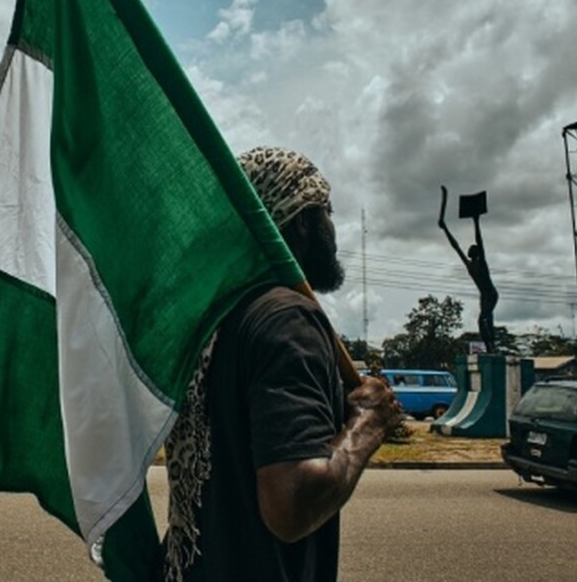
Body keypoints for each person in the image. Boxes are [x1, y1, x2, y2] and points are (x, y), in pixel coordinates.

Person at [162, 146, 402, 582]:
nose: (333, 228)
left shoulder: (213, 318)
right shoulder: (287, 319)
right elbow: (291, 506)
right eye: (328, 211)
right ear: (304, 219)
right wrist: (368, 423)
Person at [438, 186, 499, 353]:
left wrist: (476, 221)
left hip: (491, 294)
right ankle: (491, 347)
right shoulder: (469, 264)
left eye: (472, 248)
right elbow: (456, 246)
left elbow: (479, 240)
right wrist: (445, 229)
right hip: (483, 295)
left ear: (476, 252)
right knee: (487, 320)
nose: (469, 249)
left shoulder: (482, 262)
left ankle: (491, 347)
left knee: (483, 320)